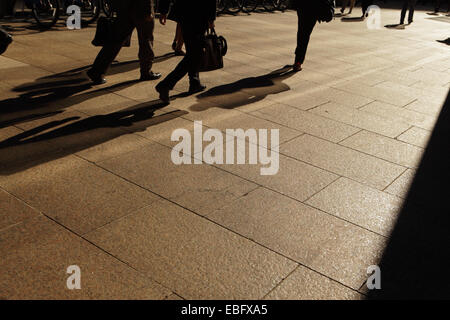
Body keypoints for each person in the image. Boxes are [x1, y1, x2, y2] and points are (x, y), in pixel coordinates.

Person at [155, 0, 217, 103]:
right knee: (195, 54)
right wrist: (211, 18)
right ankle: (165, 85)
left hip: (184, 12)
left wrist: (163, 10)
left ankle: (194, 82)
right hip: (199, 13)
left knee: (192, 50)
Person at [87, 0, 161, 85]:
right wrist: (148, 10)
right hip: (141, 8)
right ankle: (146, 72)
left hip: (124, 7)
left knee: (116, 40)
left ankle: (97, 71)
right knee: (146, 40)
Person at [292, 0, 317, 72]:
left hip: (303, 6)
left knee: (301, 32)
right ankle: (298, 62)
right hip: (314, 8)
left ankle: (298, 58)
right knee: (305, 34)